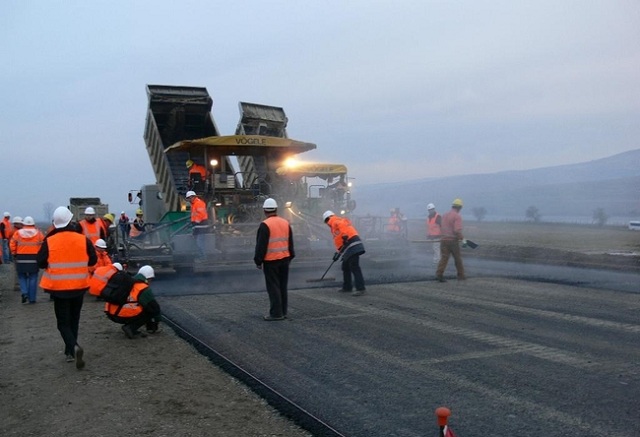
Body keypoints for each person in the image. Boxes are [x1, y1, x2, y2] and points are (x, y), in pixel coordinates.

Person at [37, 206, 97, 369]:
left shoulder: (50, 240)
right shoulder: (82, 239)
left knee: (63, 323)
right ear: (70, 221)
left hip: (59, 289)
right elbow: (92, 260)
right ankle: (70, 351)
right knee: (74, 319)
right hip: (79, 287)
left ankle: (73, 348)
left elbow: (41, 261)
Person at [254, 198, 295, 321]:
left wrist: (258, 261)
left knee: (273, 287)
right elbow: (290, 243)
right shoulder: (285, 223)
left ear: (265, 211)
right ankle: (283, 311)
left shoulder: (265, 225)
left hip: (271, 261)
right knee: (282, 286)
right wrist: (290, 256)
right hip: (285, 259)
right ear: (276, 209)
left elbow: (261, 245)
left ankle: (276, 314)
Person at [104, 265, 162, 339]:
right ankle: (130, 328)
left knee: (137, 305)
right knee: (148, 310)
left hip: (111, 313)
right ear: (148, 278)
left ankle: (132, 327)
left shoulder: (128, 282)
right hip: (121, 314)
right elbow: (154, 308)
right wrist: (156, 321)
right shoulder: (142, 288)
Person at [323, 210, 366, 296]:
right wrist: (338, 254)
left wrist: (345, 236)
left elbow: (343, 230)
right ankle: (347, 287)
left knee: (354, 267)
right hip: (350, 246)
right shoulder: (334, 225)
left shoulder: (334, 221)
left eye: (326, 222)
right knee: (345, 267)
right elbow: (341, 242)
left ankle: (361, 289)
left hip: (353, 245)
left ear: (327, 219)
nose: (327, 224)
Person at [10, 216, 44, 304]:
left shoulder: (18, 233)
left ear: (23, 224)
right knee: (33, 277)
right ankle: (32, 298)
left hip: (21, 257)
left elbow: (12, 243)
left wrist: (14, 253)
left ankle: (24, 293)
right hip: (34, 258)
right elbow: (43, 245)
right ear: (33, 224)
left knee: (22, 276)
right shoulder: (39, 233)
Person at [435, 198, 466, 282]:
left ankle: (439, 274)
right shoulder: (457, 216)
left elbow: (441, 226)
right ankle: (461, 275)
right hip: (452, 241)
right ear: (459, 207)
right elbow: (457, 230)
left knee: (444, 258)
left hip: (443, 240)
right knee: (457, 259)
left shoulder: (445, 215)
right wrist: (463, 239)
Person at [185, 191, 209, 260]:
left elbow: (201, 215)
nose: (188, 200)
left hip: (201, 225)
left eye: (189, 198)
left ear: (193, 197)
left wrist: (195, 223)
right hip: (197, 226)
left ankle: (203, 257)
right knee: (198, 242)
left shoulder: (199, 203)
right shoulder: (194, 204)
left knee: (200, 242)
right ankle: (201, 256)